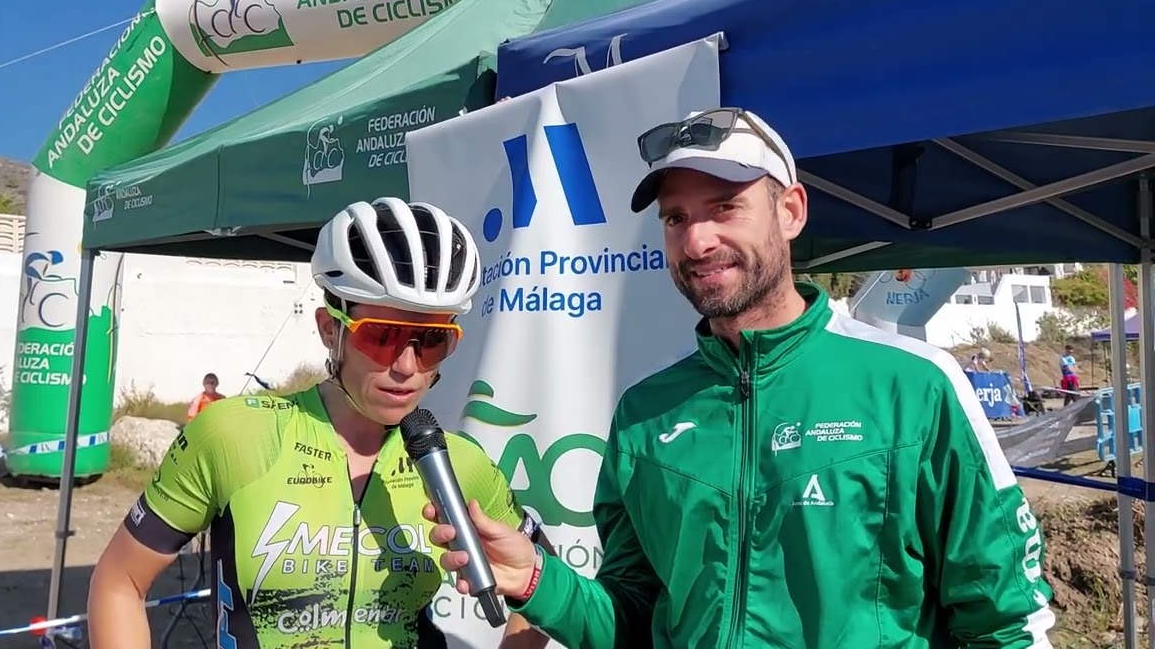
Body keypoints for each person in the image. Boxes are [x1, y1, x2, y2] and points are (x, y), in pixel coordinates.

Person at [424, 108, 1056, 648]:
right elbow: (636, 621)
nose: (697, 241)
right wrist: (538, 581)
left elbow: (1006, 621)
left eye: (726, 207)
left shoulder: (914, 385)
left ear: (791, 211)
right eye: (676, 218)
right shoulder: (646, 412)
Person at [88, 197, 549, 649]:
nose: (407, 366)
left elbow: (544, 584)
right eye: (381, 336)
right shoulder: (234, 434)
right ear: (331, 329)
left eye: (431, 341)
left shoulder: (458, 462)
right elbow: (120, 581)